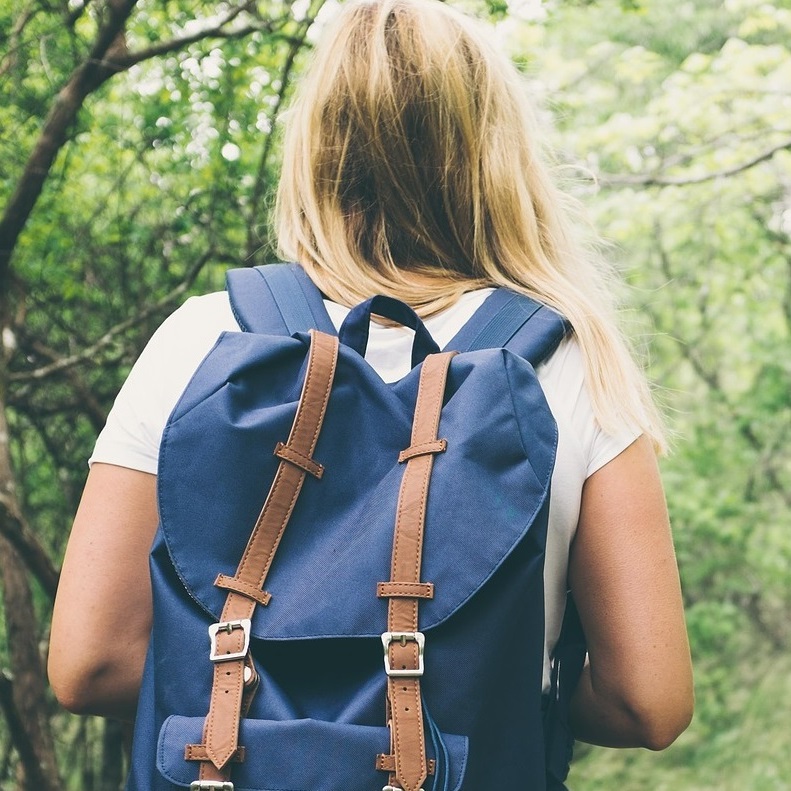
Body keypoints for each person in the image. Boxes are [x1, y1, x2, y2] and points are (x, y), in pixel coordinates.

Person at [49, 0, 693, 767]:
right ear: (493, 154)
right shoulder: (566, 359)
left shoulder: (200, 338)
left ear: (317, 149)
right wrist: (512, 698)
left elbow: (89, 662)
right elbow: (646, 696)